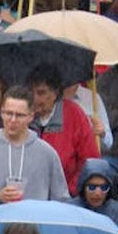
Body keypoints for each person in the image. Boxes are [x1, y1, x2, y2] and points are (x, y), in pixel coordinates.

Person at [0, 86, 69, 203]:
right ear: (1, 112)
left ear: (31, 116)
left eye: (19, 115)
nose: (12, 120)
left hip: (35, 219)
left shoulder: (47, 153)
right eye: (8, 113)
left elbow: (61, 200)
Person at [27, 63, 99, 195]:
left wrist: (70, 191)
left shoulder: (73, 114)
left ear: (55, 94)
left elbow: (89, 161)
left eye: (41, 93)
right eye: (31, 92)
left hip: (67, 196)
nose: (34, 98)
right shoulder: (23, 115)